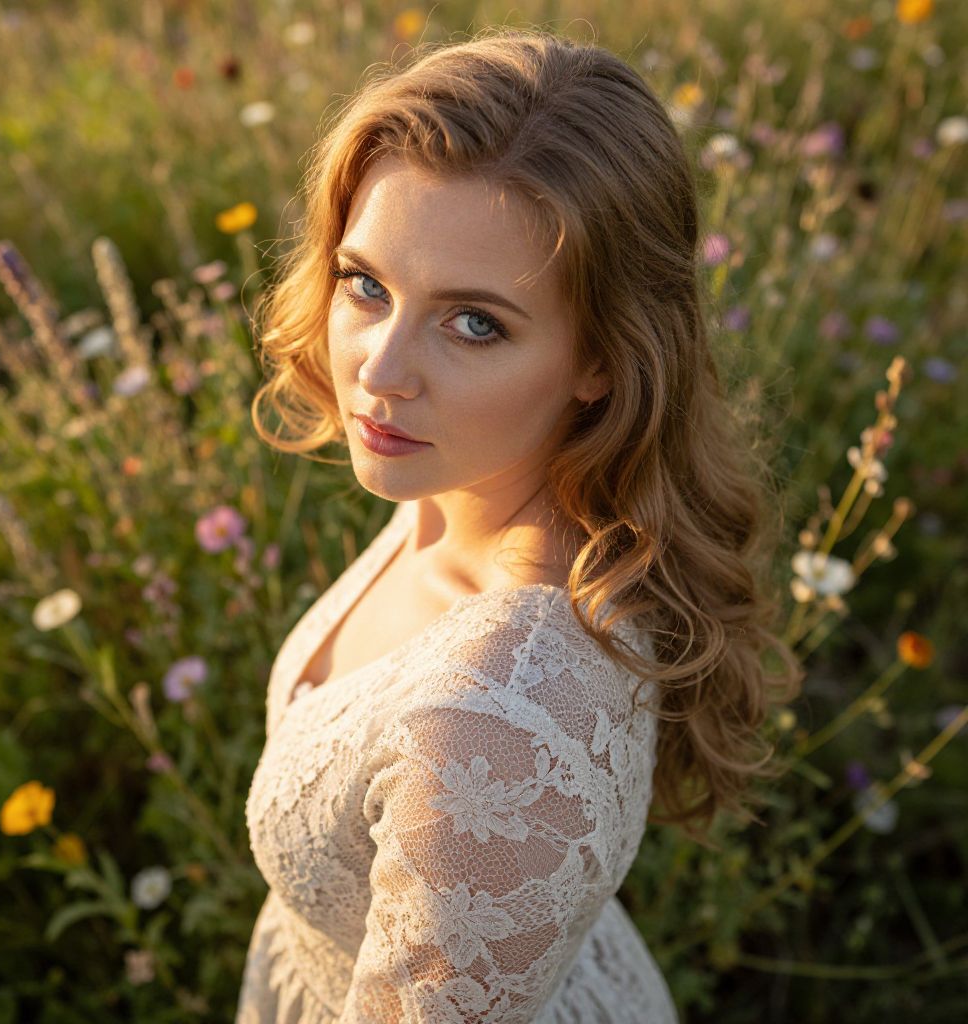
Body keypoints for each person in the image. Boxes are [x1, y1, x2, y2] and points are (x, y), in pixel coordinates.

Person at [239, 26, 802, 1023]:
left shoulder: (495, 715)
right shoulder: (462, 482)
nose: (378, 368)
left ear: (604, 359)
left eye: (475, 323)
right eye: (366, 282)